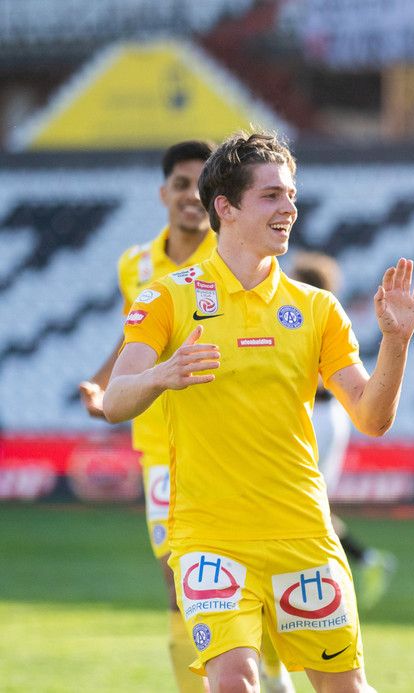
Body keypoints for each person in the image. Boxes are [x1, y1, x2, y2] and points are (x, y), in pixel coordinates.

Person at [103, 131, 414, 693]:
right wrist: (161, 375)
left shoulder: (317, 309)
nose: (289, 208)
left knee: (345, 688)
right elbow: (115, 400)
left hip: (302, 534)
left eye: (291, 194)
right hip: (210, 538)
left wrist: (395, 344)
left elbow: (372, 419)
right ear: (225, 207)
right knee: (234, 683)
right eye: (272, 195)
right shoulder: (166, 298)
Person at [78, 139, 224, 693]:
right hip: (161, 446)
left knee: (244, 582)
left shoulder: (233, 259)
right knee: (179, 584)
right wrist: (104, 382)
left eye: (201, 186)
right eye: (181, 184)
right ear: (164, 193)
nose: (190, 197)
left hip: (226, 441)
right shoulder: (135, 265)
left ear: (219, 197)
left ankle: (269, 674)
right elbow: (134, 337)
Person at [289, 251, 398, 610]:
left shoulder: (310, 317)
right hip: (328, 416)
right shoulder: (321, 314)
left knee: (302, 500)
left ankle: (324, 580)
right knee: (309, 501)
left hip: (317, 415)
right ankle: (363, 560)